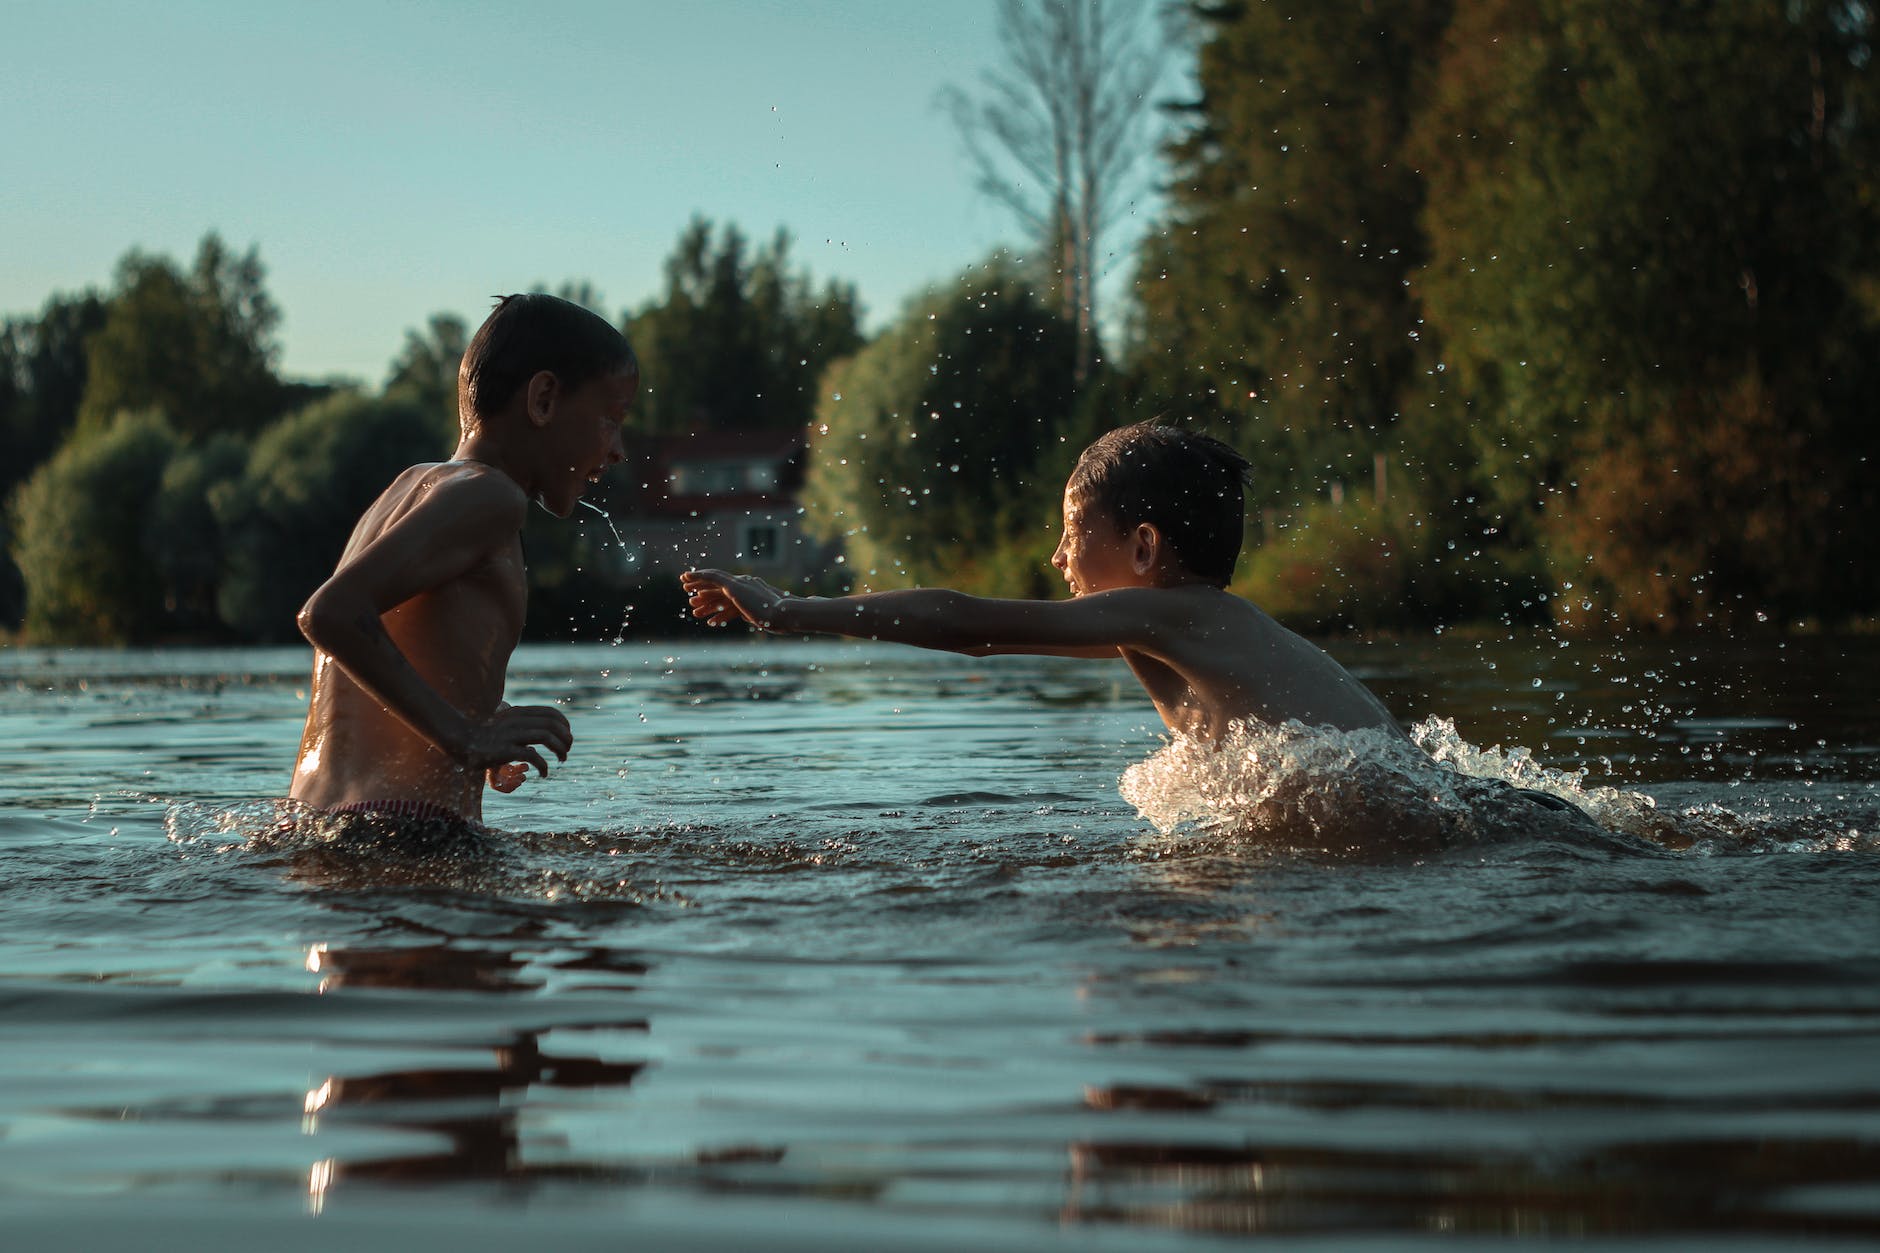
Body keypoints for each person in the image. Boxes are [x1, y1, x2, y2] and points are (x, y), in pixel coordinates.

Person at [681, 421, 1404, 744]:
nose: (1058, 559)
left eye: (1071, 532)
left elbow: (968, 625)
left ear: (1144, 549)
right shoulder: (1194, 632)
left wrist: (789, 609)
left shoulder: (1175, 618)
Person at [289, 293, 638, 825]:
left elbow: (405, 635)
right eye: (611, 419)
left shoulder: (410, 487)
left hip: (321, 822)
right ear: (543, 398)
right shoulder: (492, 496)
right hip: (407, 828)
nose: (619, 451)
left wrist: (483, 717)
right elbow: (331, 614)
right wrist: (464, 738)